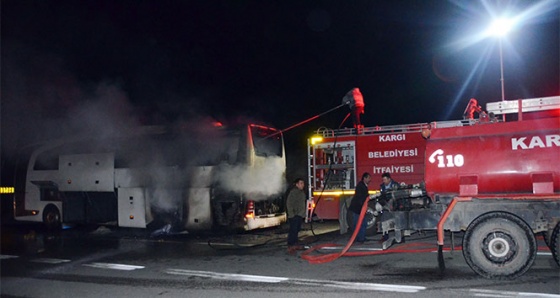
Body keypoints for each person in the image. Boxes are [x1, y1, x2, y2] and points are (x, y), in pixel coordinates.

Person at [348, 172, 371, 243]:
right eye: (368, 178)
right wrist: (363, 207)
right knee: (358, 223)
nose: (370, 180)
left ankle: (361, 237)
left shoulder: (363, 186)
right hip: (357, 208)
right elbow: (360, 198)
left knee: (363, 223)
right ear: (364, 178)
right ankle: (358, 238)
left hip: (361, 209)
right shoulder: (361, 186)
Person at [286, 178, 306, 254]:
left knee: (297, 229)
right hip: (295, 215)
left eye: (303, 183)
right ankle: (291, 245)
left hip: (299, 214)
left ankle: (295, 243)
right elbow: (289, 203)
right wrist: (292, 214)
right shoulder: (294, 192)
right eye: (301, 183)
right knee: (293, 230)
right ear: (297, 184)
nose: (302, 185)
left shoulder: (301, 192)